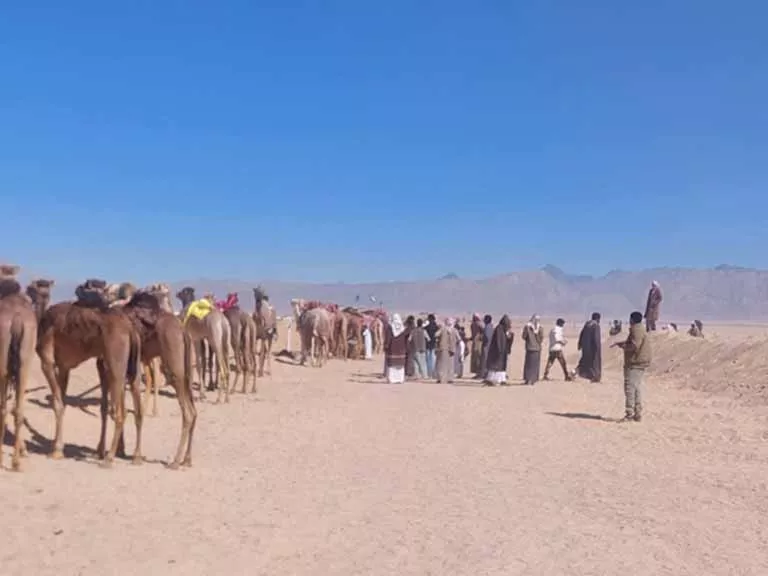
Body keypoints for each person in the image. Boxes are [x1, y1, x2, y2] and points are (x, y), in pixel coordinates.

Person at [613, 311, 652, 422]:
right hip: (638, 363)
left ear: (632, 319)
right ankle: (637, 413)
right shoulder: (640, 329)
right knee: (636, 388)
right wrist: (622, 343)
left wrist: (624, 347)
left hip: (635, 363)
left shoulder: (636, 329)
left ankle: (629, 414)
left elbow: (634, 346)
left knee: (630, 388)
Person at [485, 314, 513, 386]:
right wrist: (500, 350)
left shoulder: (504, 329)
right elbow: (498, 340)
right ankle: (491, 380)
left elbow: (508, 339)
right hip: (497, 351)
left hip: (502, 351)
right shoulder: (499, 329)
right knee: (495, 366)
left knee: (501, 366)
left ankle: (502, 380)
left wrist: (510, 336)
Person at [575, 312, 602, 383]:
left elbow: (581, 334)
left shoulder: (587, 324)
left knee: (584, 361)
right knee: (594, 363)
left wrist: (579, 344)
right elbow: (596, 338)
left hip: (585, 347)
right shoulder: (596, 325)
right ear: (598, 318)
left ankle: (574, 373)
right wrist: (597, 348)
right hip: (592, 348)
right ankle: (595, 377)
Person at [384, 313, 409, 384]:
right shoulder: (403, 328)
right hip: (401, 349)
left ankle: (392, 379)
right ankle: (400, 379)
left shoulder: (390, 328)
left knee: (392, 365)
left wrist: (386, 345)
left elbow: (388, 338)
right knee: (400, 366)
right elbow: (406, 339)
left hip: (392, 349)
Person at [522, 314, 544, 385]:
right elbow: (541, 340)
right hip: (537, 349)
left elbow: (524, 337)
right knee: (535, 365)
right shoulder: (540, 328)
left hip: (529, 348)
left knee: (528, 364)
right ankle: (533, 379)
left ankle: (528, 379)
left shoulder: (527, 327)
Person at [436, 317, 457, 383]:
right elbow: (459, 338)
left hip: (443, 348)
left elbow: (436, 335)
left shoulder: (442, 329)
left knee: (441, 364)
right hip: (452, 349)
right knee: (450, 364)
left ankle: (441, 378)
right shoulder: (454, 330)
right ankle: (450, 379)